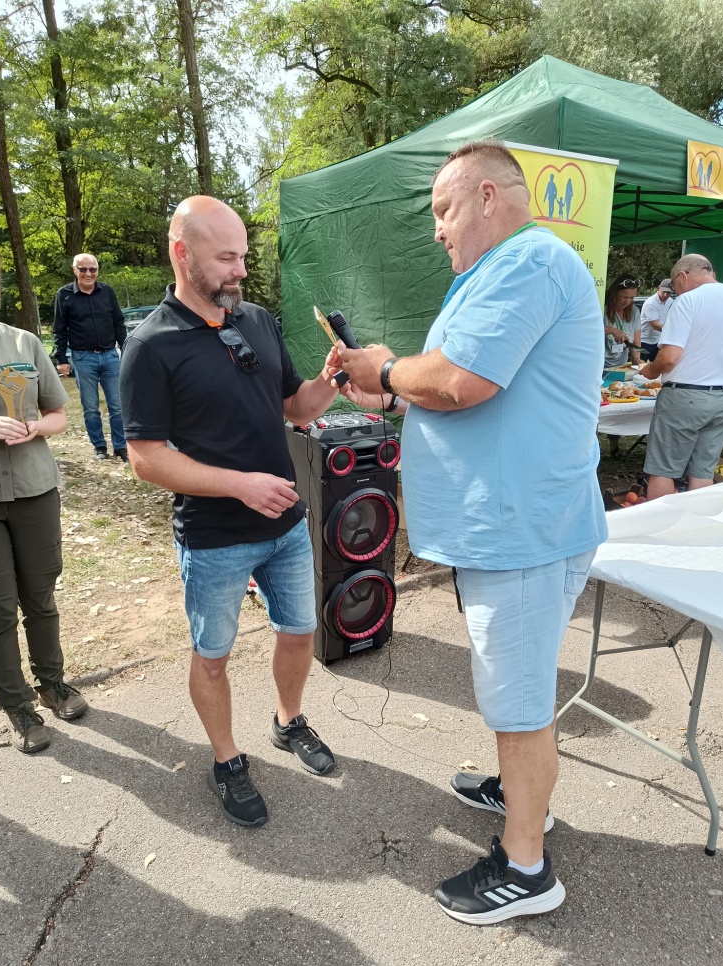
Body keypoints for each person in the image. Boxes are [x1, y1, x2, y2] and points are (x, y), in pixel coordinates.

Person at [334, 140, 607, 925]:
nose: (436, 229)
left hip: (520, 533)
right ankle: (520, 794)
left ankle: (526, 868)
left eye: (443, 210)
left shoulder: (528, 263)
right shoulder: (505, 271)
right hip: (515, 529)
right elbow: (468, 386)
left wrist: (387, 370)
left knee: (518, 705)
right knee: (517, 691)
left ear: (488, 196)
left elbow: (459, 380)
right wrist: (390, 395)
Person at [119, 196, 341, 828]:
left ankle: (288, 721)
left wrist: (329, 379)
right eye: (225, 258)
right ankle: (226, 759)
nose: (240, 271)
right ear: (181, 253)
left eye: (242, 256)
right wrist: (240, 486)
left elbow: (295, 407)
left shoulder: (258, 321)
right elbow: (145, 458)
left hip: (285, 525)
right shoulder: (151, 345)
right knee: (213, 655)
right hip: (213, 537)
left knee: (299, 631)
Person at [0, 241, 88, 753]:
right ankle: (18, 708)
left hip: (35, 490)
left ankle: (53, 684)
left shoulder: (23, 343)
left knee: (41, 597)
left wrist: (33, 427)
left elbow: (58, 416)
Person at [639, 254, 723, 501]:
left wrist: (650, 371)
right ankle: (697, 523)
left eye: (675, 285)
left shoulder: (688, 301)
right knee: (703, 472)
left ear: (683, 276)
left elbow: (669, 358)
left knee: (663, 470)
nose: (676, 292)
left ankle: (661, 524)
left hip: (685, 396)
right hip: (722, 397)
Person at [52, 253, 128, 462]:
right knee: (91, 407)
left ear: (97, 271)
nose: (88, 273)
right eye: (83, 269)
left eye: (92, 269)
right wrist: (61, 358)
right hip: (83, 358)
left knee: (117, 406)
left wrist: (127, 349)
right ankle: (99, 446)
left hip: (110, 355)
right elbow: (60, 329)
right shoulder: (64, 295)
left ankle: (121, 446)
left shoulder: (107, 291)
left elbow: (118, 322)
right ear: (74, 270)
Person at [603, 274, 642, 457]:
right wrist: (611, 330)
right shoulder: (601, 308)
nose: (627, 301)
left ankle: (614, 445)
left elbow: (636, 341)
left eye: (632, 298)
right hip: (599, 366)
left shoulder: (634, 312)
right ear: (614, 294)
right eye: (624, 297)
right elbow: (589, 329)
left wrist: (637, 361)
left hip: (619, 368)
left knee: (618, 404)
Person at [639, 278, 675, 362]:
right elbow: (655, 325)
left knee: (656, 366)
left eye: (669, 292)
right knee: (641, 366)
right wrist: (673, 331)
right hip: (644, 341)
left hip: (658, 341)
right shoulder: (650, 303)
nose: (665, 295)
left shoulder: (670, 301)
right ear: (659, 288)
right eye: (664, 292)